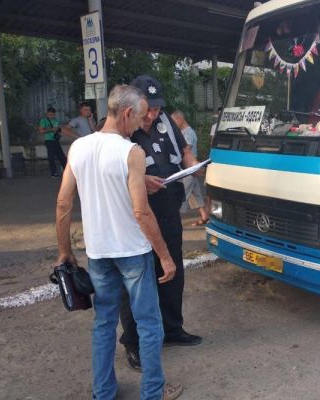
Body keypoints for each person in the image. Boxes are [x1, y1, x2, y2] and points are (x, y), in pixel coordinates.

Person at [55, 84, 183, 400]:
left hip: (98, 254)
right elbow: (141, 212)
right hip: (133, 253)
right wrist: (165, 256)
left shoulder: (79, 147)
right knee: (149, 325)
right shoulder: (131, 152)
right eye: (140, 117)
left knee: (104, 324)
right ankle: (153, 392)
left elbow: (63, 203)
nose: (142, 123)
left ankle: (103, 393)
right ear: (126, 113)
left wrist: (64, 252)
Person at [119, 74, 203, 372]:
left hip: (168, 210)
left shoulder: (165, 120)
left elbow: (185, 152)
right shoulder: (123, 126)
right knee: (136, 279)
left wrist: (196, 167)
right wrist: (140, 180)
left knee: (173, 271)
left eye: (156, 108)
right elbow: (111, 169)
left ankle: (172, 328)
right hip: (138, 215)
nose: (152, 115)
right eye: (148, 109)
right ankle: (133, 342)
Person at [171, 110, 209, 225]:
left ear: (180, 119)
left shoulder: (188, 133)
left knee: (182, 194)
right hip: (189, 168)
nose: (173, 125)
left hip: (189, 168)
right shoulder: (182, 132)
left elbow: (186, 149)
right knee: (195, 194)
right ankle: (205, 217)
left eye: (173, 121)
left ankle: (174, 220)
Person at [39, 107, 69, 177]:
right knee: (51, 157)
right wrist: (51, 129)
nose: (51, 116)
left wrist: (57, 130)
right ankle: (54, 172)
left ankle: (67, 170)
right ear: (47, 114)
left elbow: (56, 129)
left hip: (55, 140)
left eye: (52, 115)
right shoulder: (44, 120)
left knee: (61, 156)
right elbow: (41, 131)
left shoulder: (56, 120)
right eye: (50, 115)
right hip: (48, 140)